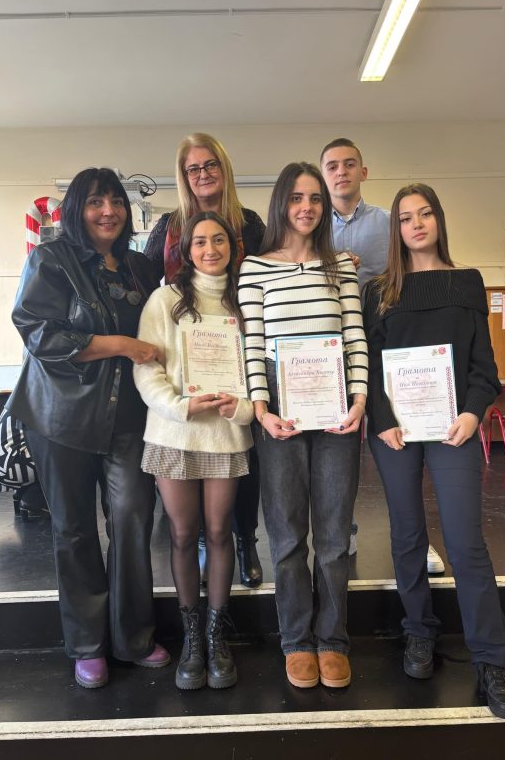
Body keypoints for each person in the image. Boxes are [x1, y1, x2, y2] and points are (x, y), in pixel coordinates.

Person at [363, 182, 505, 720]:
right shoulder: (379, 291)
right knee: (407, 535)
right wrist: (382, 419)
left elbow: (484, 368)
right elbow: (369, 367)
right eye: (406, 217)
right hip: (396, 432)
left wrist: (474, 413)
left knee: (465, 541)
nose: (416, 223)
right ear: (396, 229)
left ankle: (491, 659)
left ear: (439, 220)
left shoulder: (466, 282)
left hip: (454, 427)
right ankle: (418, 632)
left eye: (425, 213)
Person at [7, 168, 170, 689]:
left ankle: (133, 638)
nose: (108, 211)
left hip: (129, 419)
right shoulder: (50, 259)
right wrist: (121, 345)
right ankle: (87, 644)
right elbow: (39, 333)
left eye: (116, 201)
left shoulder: (141, 267)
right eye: (96, 201)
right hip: (61, 417)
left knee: (132, 519)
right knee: (74, 530)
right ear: (76, 209)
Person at [238, 162, 368, 689]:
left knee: (334, 535)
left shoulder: (341, 268)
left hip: (336, 411)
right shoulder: (254, 268)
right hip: (280, 414)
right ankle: (296, 639)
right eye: (296, 198)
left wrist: (360, 399)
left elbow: (355, 335)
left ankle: (333, 639)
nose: (307, 207)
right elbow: (252, 344)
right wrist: (261, 409)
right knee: (287, 532)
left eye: (315, 198)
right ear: (280, 204)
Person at [134, 211, 254, 690]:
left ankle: (216, 635)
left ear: (232, 247)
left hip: (225, 435)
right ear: (186, 250)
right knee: (183, 535)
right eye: (200, 241)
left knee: (221, 532)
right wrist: (180, 405)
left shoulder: (244, 300)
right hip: (173, 433)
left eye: (218, 240)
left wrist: (242, 408)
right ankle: (191, 638)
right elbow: (146, 369)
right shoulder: (164, 300)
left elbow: (259, 370)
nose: (210, 249)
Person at [145, 132, 264, 588]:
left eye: (210, 164)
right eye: (192, 168)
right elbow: (144, 281)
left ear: (224, 168)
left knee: (243, 461)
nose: (202, 174)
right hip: (184, 368)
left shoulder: (250, 223)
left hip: (237, 356)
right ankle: (204, 548)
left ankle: (245, 539)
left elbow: (273, 269)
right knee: (189, 515)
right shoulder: (168, 227)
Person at [320, 137, 445, 575]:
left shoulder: (389, 223)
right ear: (323, 175)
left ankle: (419, 541)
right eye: (332, 166)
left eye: (349, 164)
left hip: (387, 346)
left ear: (363, 172)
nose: (341, 172)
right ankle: (345, 530)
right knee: (338, 450)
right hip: (330, 349)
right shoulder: (312, 227)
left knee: (406, 444)